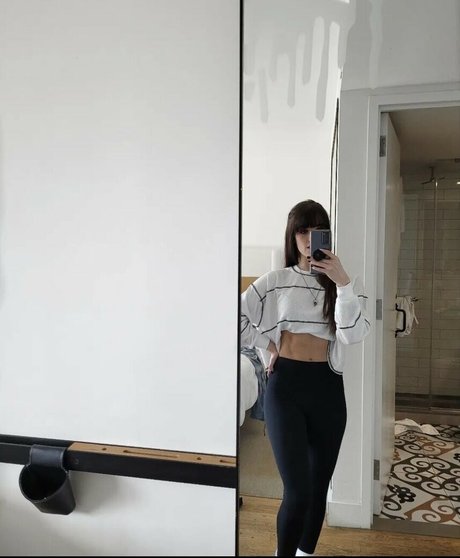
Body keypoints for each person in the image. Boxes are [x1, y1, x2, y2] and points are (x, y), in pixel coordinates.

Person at [240, 200, 370, 557]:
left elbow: (353, 335)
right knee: (297, 491)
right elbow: (234, 318)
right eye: (302, 230)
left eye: (317, 230)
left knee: (317, 487)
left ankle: (304, 554)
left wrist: (343, 284)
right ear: (292, 235)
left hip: (327, 389)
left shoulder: (345, 283)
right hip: (286, 387)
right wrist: (268, 345)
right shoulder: (276, 281)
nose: (309, 238)